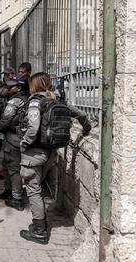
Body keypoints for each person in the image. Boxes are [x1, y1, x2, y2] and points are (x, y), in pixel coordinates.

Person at [18, 72, 91, 245]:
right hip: (51, 153)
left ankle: (39, 231)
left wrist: (24, 142)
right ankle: (40, 222)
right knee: (41, 189)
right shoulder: (56, 100)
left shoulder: (35, 101)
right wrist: (86, 129)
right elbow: (81, 115)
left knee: (33, 190)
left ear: (34, 85)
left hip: (34, 153)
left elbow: (33, 127)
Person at [0, 77, 30, 211]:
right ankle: (8, 191)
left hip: (13, 138)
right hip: (18, 137)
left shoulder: (15, 101)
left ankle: (17, 198)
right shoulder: (28, 99)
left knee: (13, 169)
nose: (9, 88)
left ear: (19, 88)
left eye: (12, 86)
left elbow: (6, 119)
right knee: (6, 166)